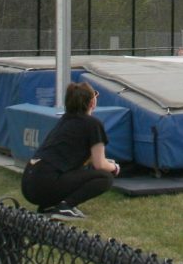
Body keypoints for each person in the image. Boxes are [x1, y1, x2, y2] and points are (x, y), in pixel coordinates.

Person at [21, 82, 120, 221]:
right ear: (92, 102)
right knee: (105, 177)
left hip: (29, 183)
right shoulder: (92, 124)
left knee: (84, 169)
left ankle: (50, 205)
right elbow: (100, 165)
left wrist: (105, 162)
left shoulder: (65, 120)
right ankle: (65, 206)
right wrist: (115, 167)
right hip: (45, 182)